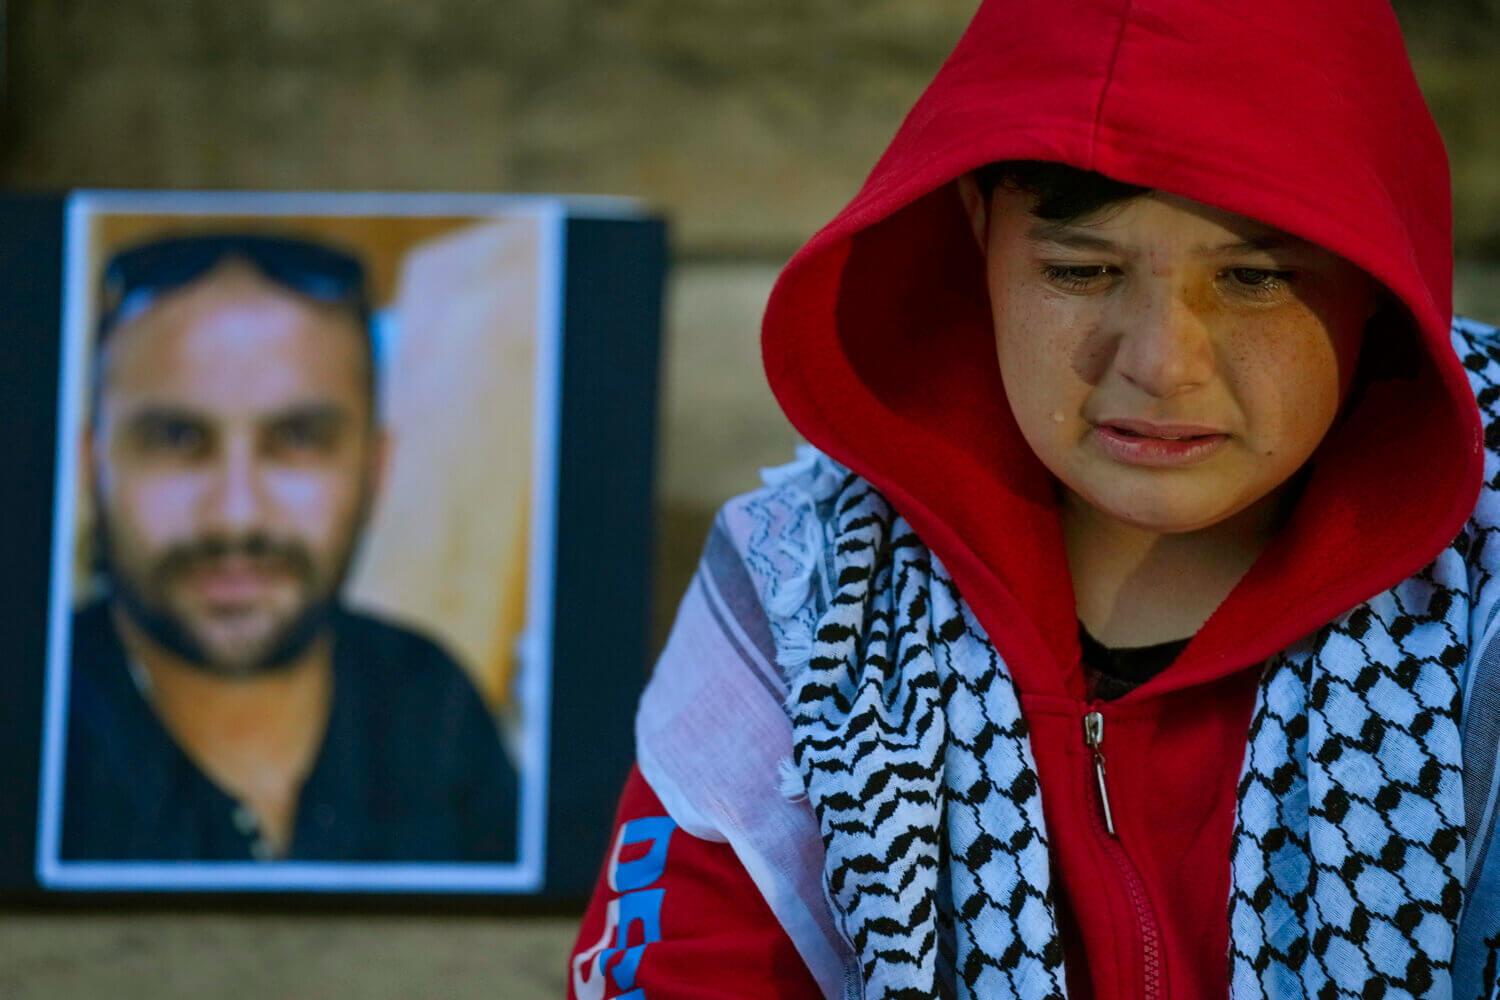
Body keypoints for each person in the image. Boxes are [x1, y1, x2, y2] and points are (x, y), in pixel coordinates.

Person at [569, 0, 1500, 997]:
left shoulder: (1482, 581)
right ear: (977, 223)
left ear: (1377, 273)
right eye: (1080, 270)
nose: (1159, 362)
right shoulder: (809, 588)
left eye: (1258, 279)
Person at [61, 233, 519, 863]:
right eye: (174, 438)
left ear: (376, 468)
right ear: (92, 465)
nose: (235, 515)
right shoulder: (34, 715)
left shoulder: (430, 703)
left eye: (299, 439)